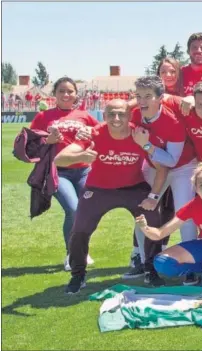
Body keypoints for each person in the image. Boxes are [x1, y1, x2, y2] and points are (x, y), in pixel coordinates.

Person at [55, 100, 164, 294]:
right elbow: (59, 158)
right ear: (104, 116)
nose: (116, 118)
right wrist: (80, 157)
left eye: (121, 114)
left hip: (133, 187)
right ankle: (77, 275)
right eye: (111, 114)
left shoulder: (138, 134)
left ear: (130, 116)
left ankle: (151, 269)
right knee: (80, 228)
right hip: (98, 189)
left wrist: (153, 197)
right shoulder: (95, 133)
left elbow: (162, 166)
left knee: (154, 219)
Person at [123, 76, 198, 285]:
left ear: (161, 98)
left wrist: (146, 146)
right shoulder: (136, 113)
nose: (142, 101)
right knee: (143, 210)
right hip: (155, 166)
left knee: (185, 212)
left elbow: (172, 161)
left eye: (148, 96)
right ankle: (146, 263)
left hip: (182, 166)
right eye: (138, 96)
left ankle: (190, 265)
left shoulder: (172, 121)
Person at [29, 77, 99, 271]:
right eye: (62, 91)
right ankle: (71, 254)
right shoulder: (44, 117)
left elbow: (100, 133)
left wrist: (90, 134)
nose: (66, 95)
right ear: (55, 94)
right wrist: (48, 141)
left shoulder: (84, 115)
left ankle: (82, 250)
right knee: (73, 209)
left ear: (76, 94)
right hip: (58, 172)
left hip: (84, 170)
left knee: (86, 213)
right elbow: (30, 146)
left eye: (70, 91)